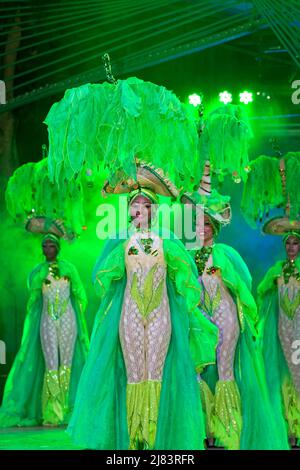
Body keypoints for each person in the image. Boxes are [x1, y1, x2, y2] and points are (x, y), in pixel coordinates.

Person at [67, 163, 218, 450]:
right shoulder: (120, 241)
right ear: (128, 211)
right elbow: (104, 278)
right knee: (135, 371)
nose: (140, 211)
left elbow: (185, 281)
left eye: (145, 206)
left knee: (156, 371)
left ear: (154, 209)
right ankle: (135, 439)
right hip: (130, 313)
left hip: (161, 314)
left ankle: (156, 437)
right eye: (134, 206)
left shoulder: (168, 241)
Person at [180, 161, 289, 450]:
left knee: (226, 371)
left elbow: (242, 287)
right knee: (197, 371)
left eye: (207, 224)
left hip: (226, 318)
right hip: (199, 319)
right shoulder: (187, 256)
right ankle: (203, 431)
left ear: (214, 227)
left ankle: (229, 432)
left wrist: (245, 319)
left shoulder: (225, 255)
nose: (202, 229)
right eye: (198, 224)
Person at [0, 218, 89, 427]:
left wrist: (72, 313)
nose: (48, 249)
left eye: (52, 245)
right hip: (47, 319)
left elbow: (81, 297)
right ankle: (52, 412)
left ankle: (66, 409)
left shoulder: (69, 269)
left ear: (58, 247)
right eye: (45, 246)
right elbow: (33, 302)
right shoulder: (37, 272)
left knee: (66, 364)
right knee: (51, 364)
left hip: (68, 319)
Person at [257, 222, 300, 447]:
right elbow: (262, 292)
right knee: (284, 377)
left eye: (295, 243)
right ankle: (289, 431)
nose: (291, 247)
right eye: (288, 243)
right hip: (282, 330)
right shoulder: (277, 270)